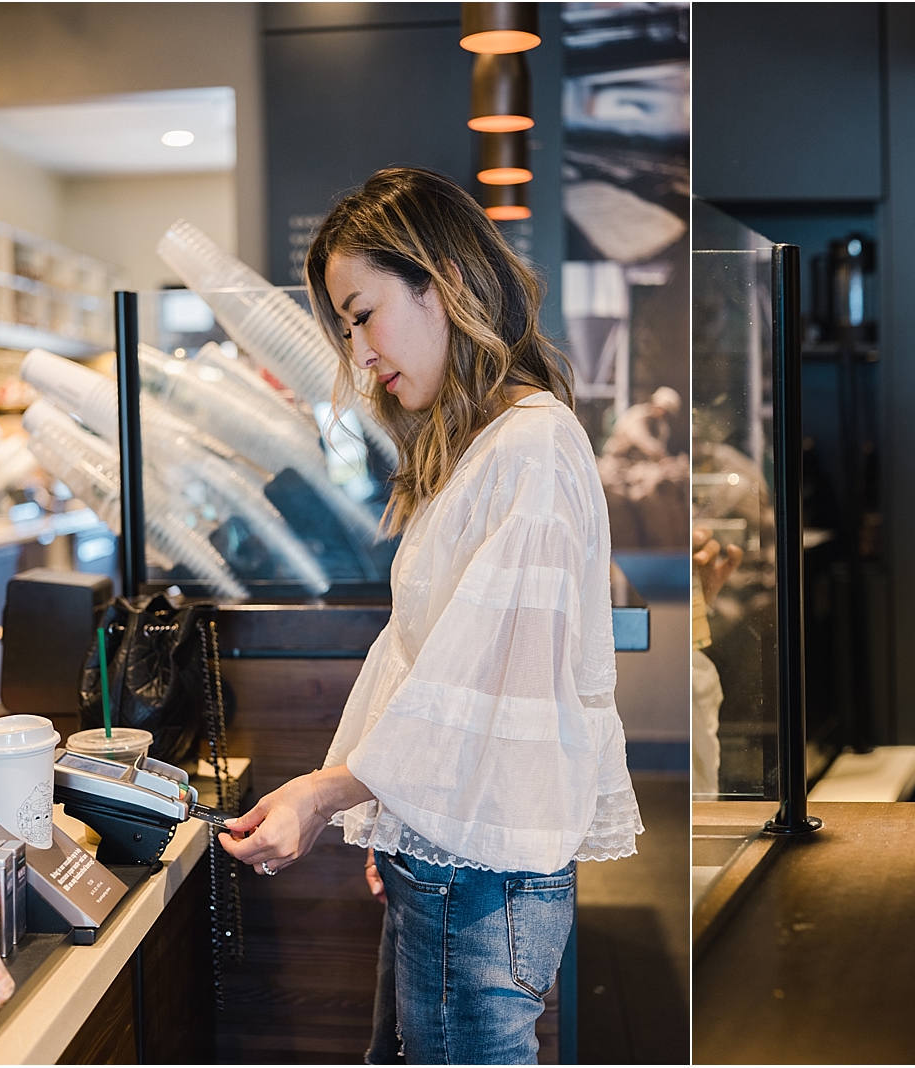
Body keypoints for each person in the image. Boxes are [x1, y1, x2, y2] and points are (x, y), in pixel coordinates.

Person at [218, 167, 642, 1065]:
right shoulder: (490, 443)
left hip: (477, 888)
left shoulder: (531, 444)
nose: (359, 353)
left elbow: (480, 677)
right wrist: (392, 811)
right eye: (345, 327)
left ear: (439, 280)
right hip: (450, 866)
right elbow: (425, 653)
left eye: (361, 312)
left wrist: (329, 794)